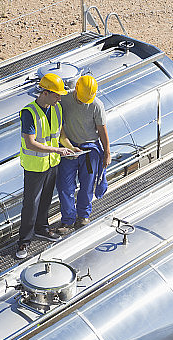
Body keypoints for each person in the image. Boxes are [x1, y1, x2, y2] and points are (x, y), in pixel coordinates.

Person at [15, 72, 75, 259]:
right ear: (45, 93)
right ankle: (24, 241)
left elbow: (60, 135)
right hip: (35, 165)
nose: (59, 98)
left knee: (46, 199)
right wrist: (57, 151)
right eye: (57, 94)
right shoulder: (29, 113)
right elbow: (30, 143)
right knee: (30, 205)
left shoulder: (57, 109)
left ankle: (42, 228)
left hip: (51, 164)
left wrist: (71, 148)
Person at [55, 74, 111, 234]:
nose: (82, 102)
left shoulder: (96, 105)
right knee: (65, 186)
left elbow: (102, 130)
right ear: (76, 89)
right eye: (80, 98)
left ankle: (83, 216)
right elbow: (59, 123)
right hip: (69, 149)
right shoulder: (64, 100)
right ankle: (67, 220)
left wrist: (107, 152)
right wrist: (69, 146)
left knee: (87, 185)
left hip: (89, 151)